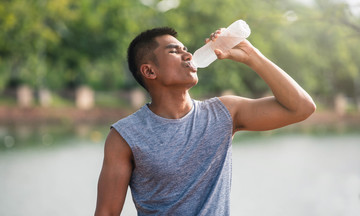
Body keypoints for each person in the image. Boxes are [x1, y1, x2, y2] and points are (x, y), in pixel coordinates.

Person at [94, 26, 316, 216]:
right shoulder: (125, 135)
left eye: (186, 50)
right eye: (174, 51)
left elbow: (302, 108)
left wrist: (250, 54)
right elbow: (106, 213)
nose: (188, 55)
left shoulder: (224, 113)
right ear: (150, 71)